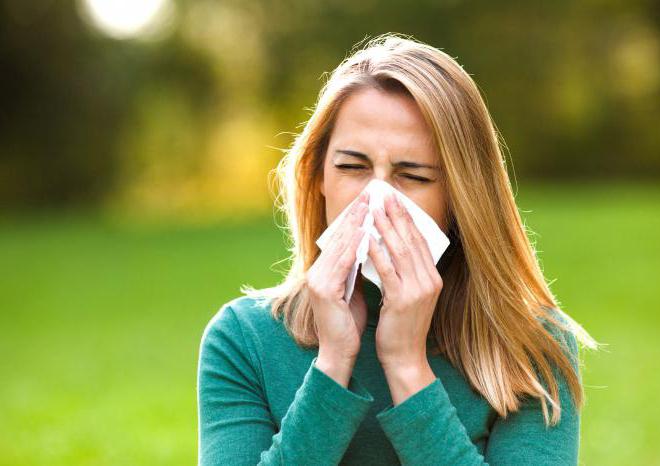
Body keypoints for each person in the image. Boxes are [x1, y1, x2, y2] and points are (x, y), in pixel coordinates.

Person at [197, 32, 597, 465]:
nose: (377, 198)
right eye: (353, 167)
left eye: (415, 176)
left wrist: (408, 368)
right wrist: (332, 365)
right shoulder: (243, 340)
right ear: (318, 177)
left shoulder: (529, 346)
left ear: (463, 197)